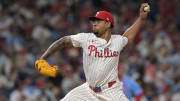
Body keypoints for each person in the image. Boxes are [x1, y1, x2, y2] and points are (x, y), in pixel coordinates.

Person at [36, 3, 150, 101]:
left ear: (108, 24)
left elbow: (129, 37)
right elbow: (63, 41)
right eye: (94, 21)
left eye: (98, 21)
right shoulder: (86, 38)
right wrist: (42, 58)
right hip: (88, 90)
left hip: (111, 90)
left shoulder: (117, 41)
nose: (94, 23)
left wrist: (141, 19)